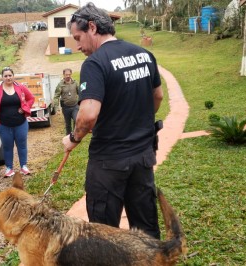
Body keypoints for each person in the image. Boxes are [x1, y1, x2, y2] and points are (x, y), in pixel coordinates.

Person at [62, 2, 164, 239]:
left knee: (104, 235)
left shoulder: (95, 63)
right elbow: (157, 96)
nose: (77, 46)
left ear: (92, 27)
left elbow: (88, 114)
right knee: (146, 228)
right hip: (142, 157)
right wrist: (136, 120)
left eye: (78, 37)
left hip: (109, 163)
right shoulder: (144, 54)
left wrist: (73, 138)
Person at [0, 67, 35, 177]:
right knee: (7, 146)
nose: (8, 78)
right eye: (6, 76)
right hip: (3, 125)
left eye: (10, 75)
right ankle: (9, 168)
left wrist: (24, 108)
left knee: (22, 145)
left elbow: (31, 98)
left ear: (13, 76)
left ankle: (24, 166)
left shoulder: (21, 87)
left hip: (21, 123)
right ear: (2, 77)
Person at [53, 68, 79, 134]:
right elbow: (56, 96)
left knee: (76, 120)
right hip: (66, 108)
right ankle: (68, 136)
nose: (68, 76)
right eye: (66, 74)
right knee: (68, 124)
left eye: (69, 74)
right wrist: (57, 108)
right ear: (63, 75)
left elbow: (80, 93)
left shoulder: (75, 83)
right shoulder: (60, 85)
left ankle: (75, 135)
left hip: (75, 106)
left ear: (71, 74)